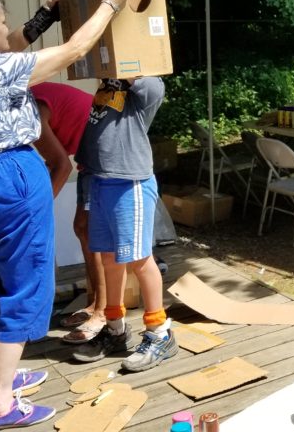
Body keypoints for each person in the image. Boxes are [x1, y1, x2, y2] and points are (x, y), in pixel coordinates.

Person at [0, 0, 130, 429]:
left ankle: (2, 375)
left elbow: (16, 45)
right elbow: (76, 49)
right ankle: (0, 404)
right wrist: (112, 2)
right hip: (6, 182)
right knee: (24, 287)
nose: (7, 27)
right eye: (0, 21)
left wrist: (48, 12)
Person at [71, 72, 177, 372]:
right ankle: (115, 328)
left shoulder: (146, 88)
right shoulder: (107, 87)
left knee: (140, 260)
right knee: (107, 259)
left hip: (129, 185)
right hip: (100, 182)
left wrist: (126, 66)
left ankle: (159, 333)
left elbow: (155, 86)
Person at [31, 82, 107, 344]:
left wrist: (36, 215)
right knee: (82, 227)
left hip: (104, 143)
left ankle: (102, 311)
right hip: (90, 150)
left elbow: (61, 166)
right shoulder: (21, 110)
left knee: (91, 231)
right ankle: (92, 303)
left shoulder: (30, 115)